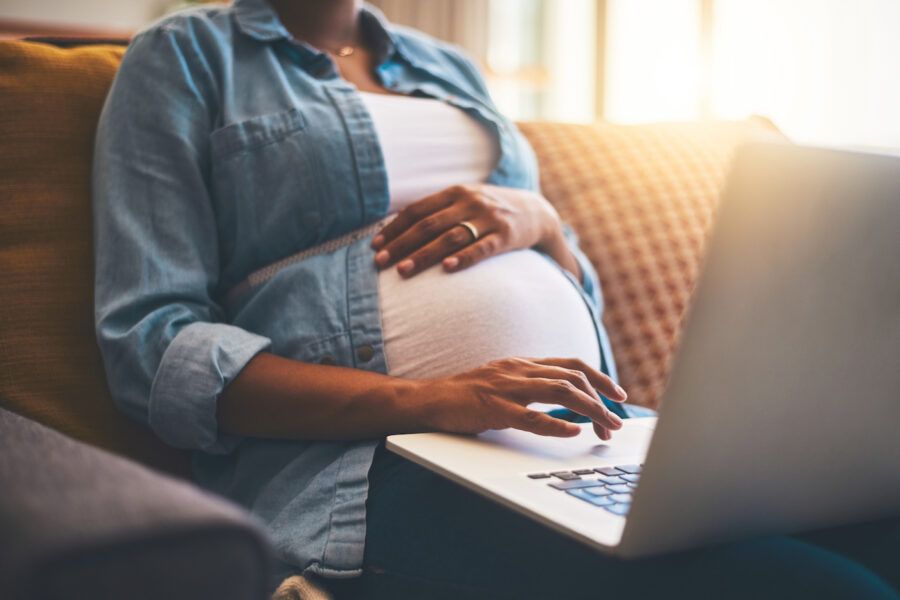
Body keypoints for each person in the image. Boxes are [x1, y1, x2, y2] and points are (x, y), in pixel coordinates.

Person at [92, 0, 899, 598]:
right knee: (816, 587)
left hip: (591, 441)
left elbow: (563, 279)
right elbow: (151, 348)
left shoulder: (451, 67)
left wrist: (541, 219)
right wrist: (437, 399)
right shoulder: (184, 57)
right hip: (376, 469)